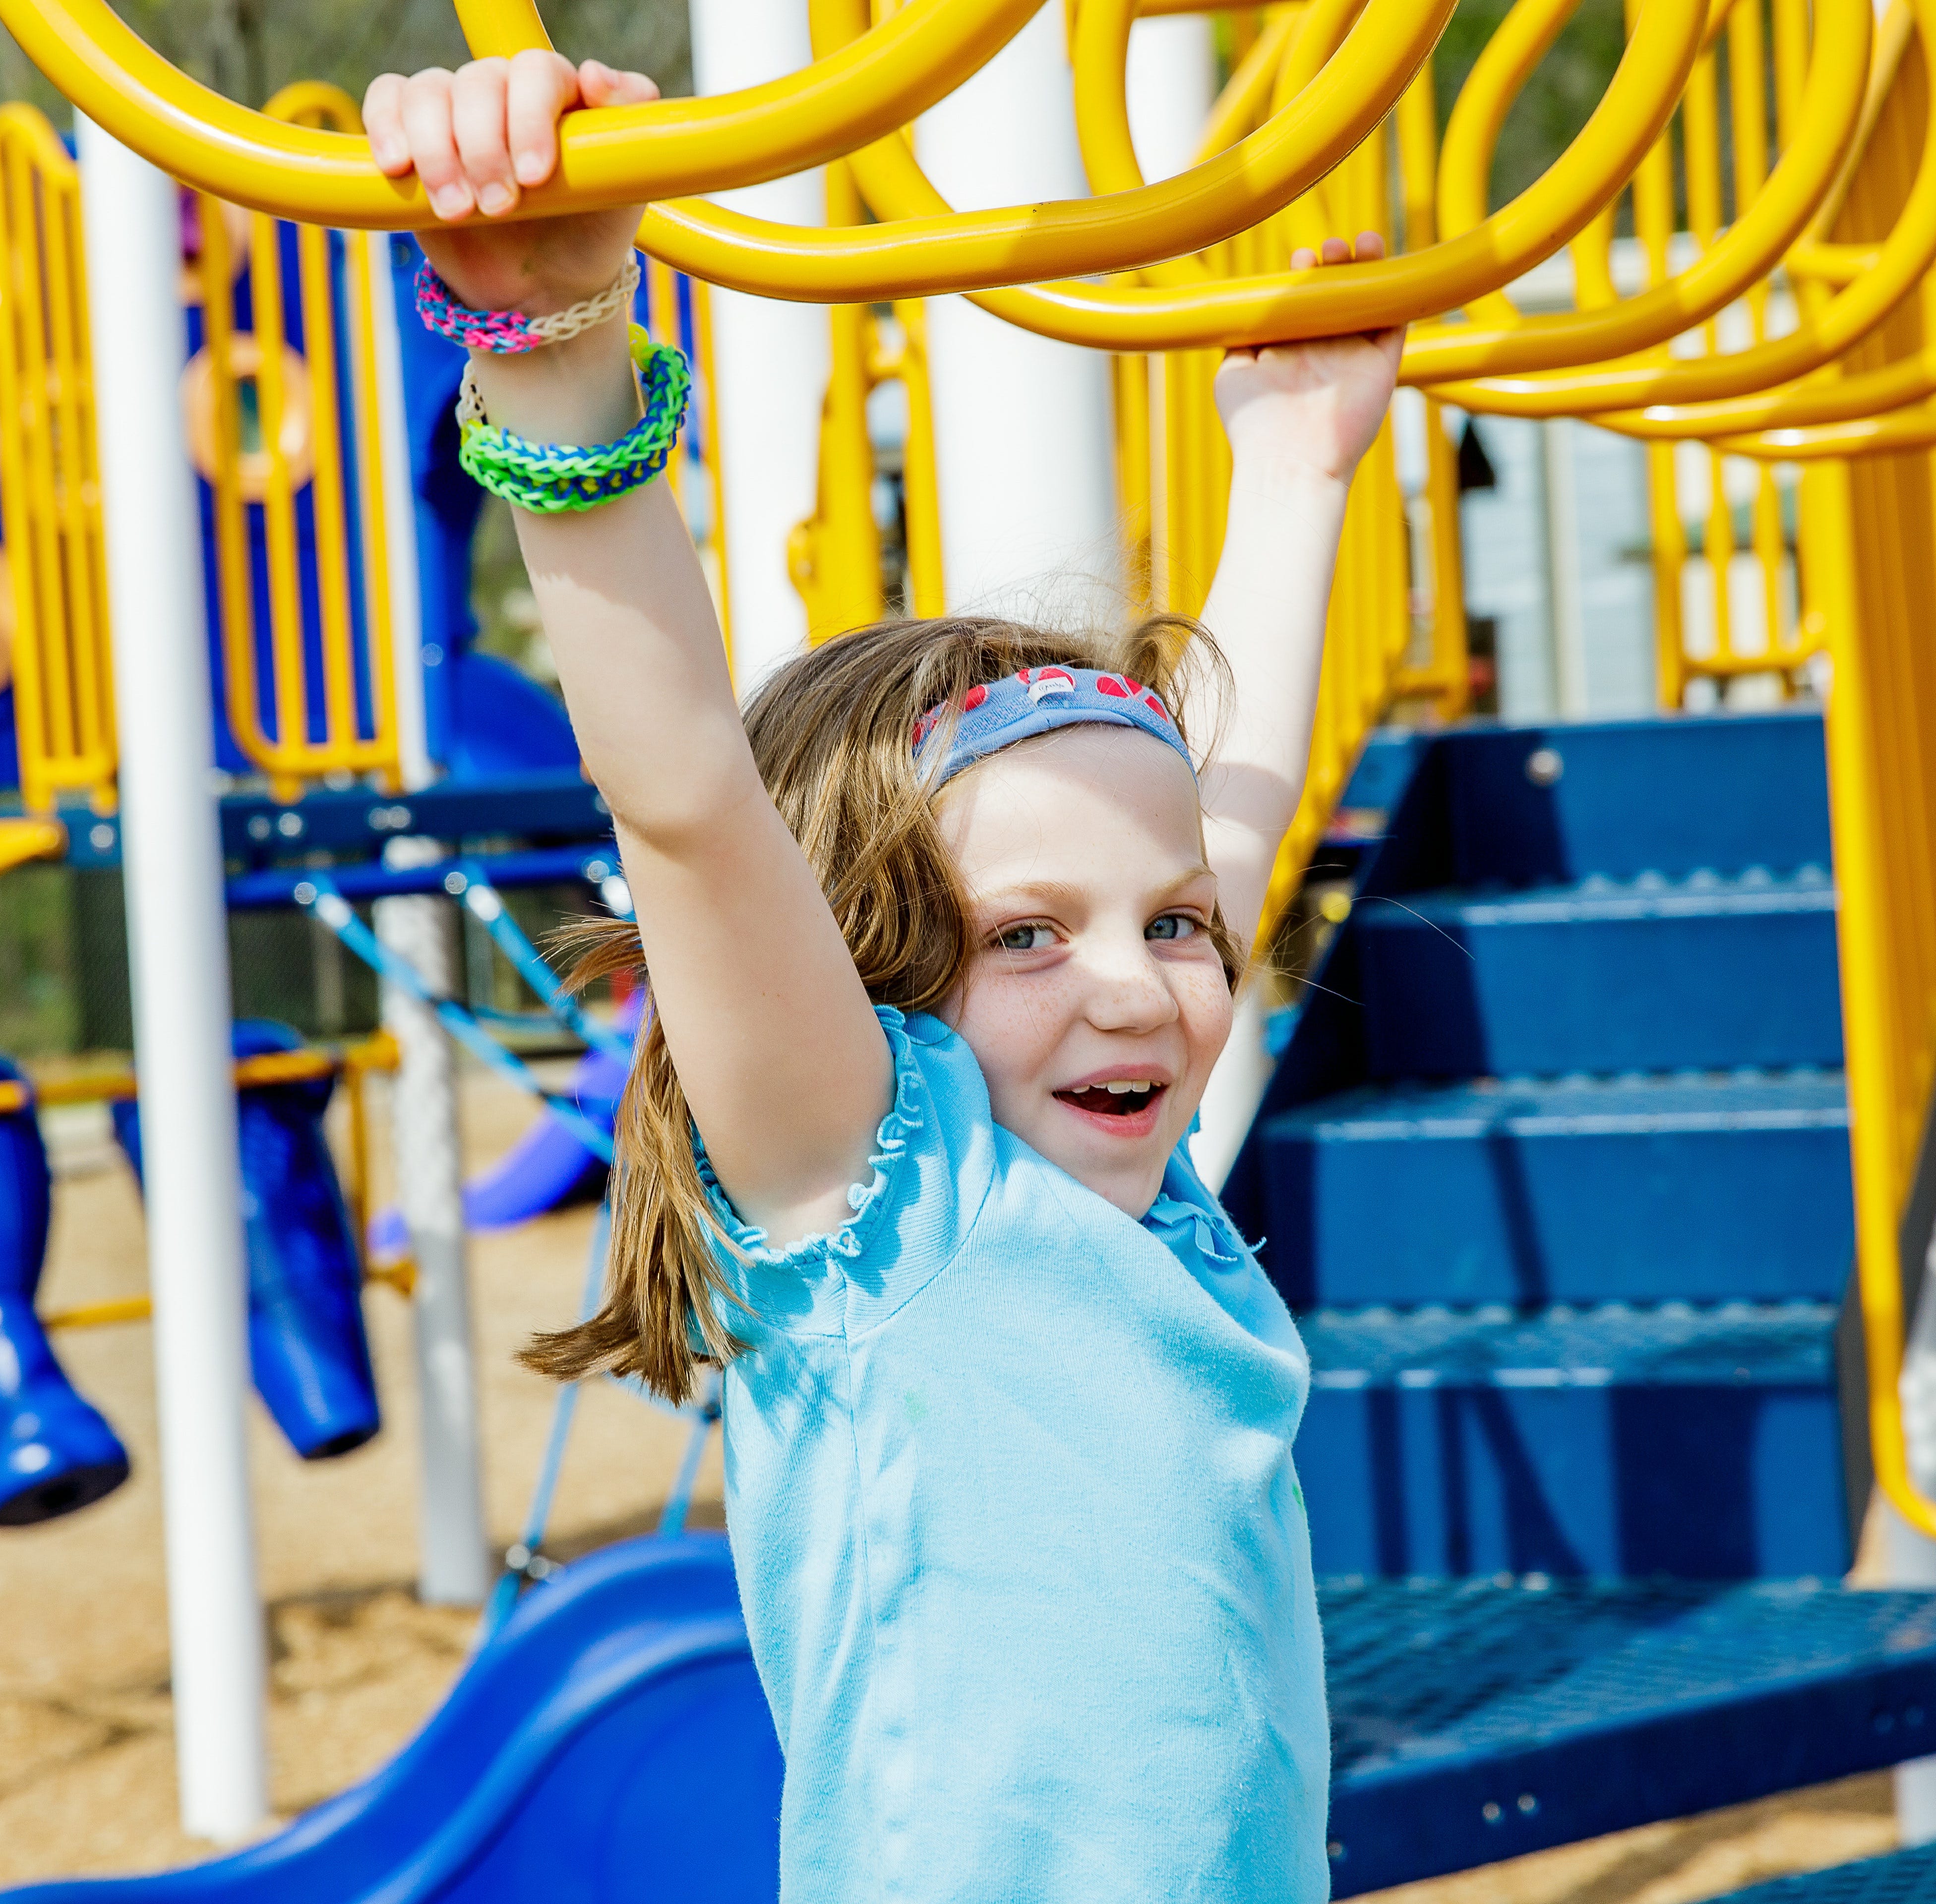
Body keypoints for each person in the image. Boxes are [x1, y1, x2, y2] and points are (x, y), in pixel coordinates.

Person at [363, 49, 1403, 1903]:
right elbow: (684, 796)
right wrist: (556, 339)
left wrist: (1298, 472)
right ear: (869, 975)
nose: (1135, 986)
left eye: (1169, 928)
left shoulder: (1133, 1190)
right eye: (1027, 935)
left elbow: (1223, 825)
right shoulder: (883, 1191)